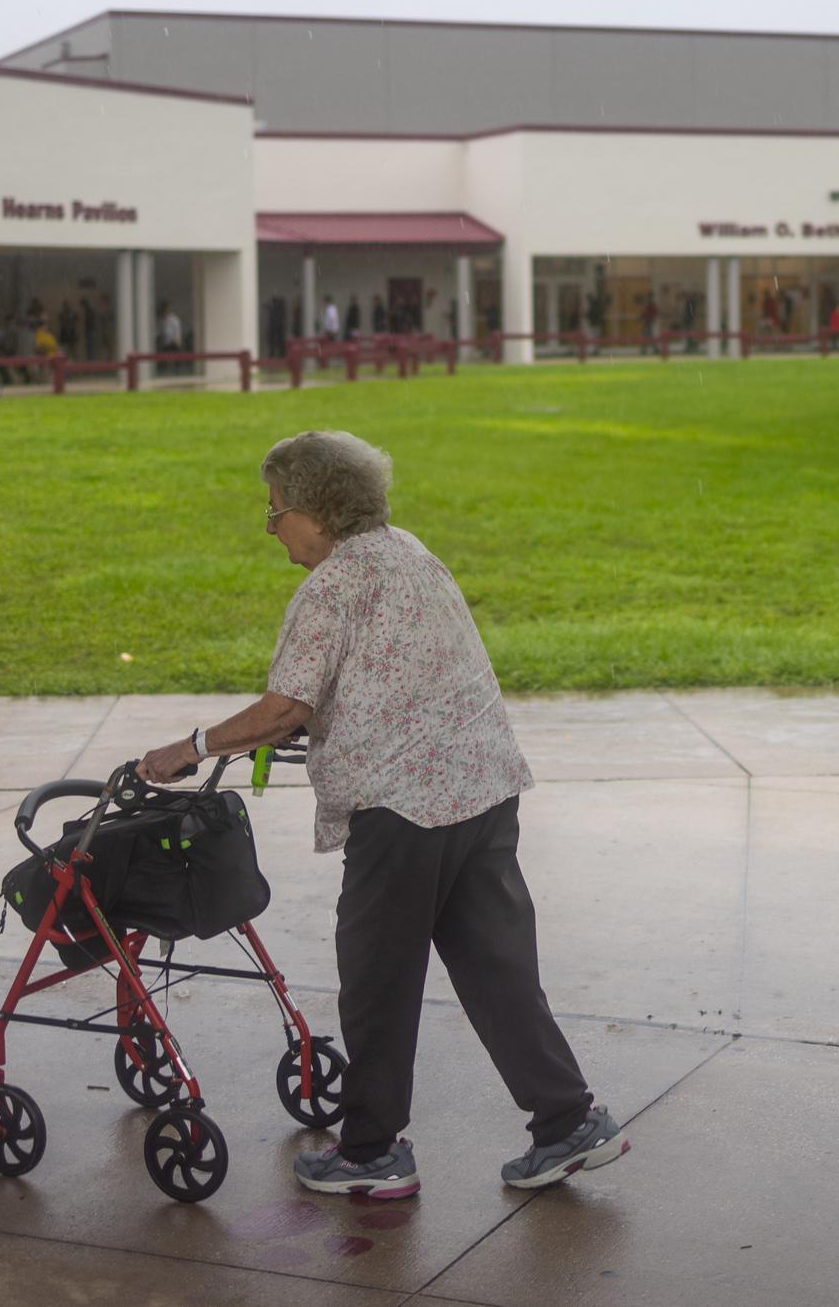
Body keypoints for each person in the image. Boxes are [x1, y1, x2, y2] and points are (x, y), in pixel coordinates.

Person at [133, 432, 630, 1200]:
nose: (271, 530)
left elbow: (286, 707)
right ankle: (567, 1120)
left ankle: (370, 1152)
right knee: (497, 970)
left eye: (275, 513)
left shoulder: (330, 588)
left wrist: (191, 747)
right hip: (483, 788)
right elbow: (386, 675)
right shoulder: (409, 552)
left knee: (377, 979)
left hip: (404, 811)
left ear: (313, 510)